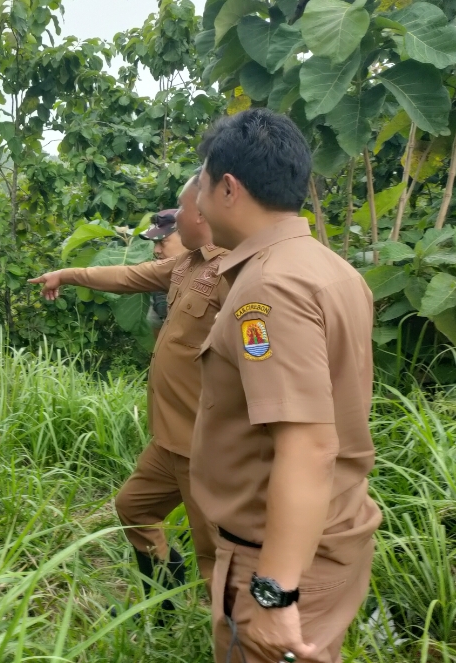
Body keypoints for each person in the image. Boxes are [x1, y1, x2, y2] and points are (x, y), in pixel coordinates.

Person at [191, 108, 382, 663]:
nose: (198, 202)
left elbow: (309, 444)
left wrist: (275, 592)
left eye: (202, 185)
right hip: (326, 536)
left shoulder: (269, 288)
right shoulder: (329, 268)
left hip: (279, 555)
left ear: (229, 188)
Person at [29, 185, 226, 608]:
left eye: (188, 209)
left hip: (204, 445)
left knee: (218, 558)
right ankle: (165, 598)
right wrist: (67, 275)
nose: (157, 239)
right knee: (132, 509)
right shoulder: (184, 265)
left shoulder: (237, 271)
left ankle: (239, 642)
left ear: (204, 216)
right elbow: (125, 277)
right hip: (168, 438)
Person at [139, 210, 185, 340]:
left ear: (187, 235)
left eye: (163, 242)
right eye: (154, 243)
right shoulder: (160, 275)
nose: (156, 250)